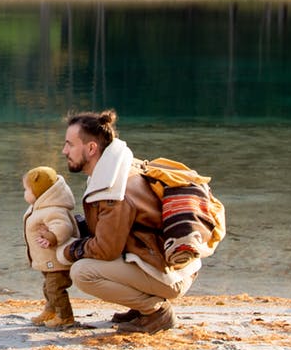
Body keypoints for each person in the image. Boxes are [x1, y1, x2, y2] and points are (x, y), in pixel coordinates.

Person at [36, 109, 198, 334]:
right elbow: (114, 231)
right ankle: (142, 308)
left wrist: (68, 250)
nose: (64, 151)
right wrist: (72, 228)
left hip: (169, 275)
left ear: (91, 148)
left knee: (82, 272)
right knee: (84, 258)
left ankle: (156, 312)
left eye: (70, 144)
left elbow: (106, 249)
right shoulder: (114, 172)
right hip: (163, 264)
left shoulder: (115, 192)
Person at [20, 166, 77, 326]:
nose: (24, 193)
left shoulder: (53, 209)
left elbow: (63, 226)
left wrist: (52, 236)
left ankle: (65, 317)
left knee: (55, 289)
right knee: (48, 287)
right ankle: (51, 310)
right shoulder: (40, 208)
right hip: (48, 261)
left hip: (57, 261)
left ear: (39, 192)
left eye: (27, 190)